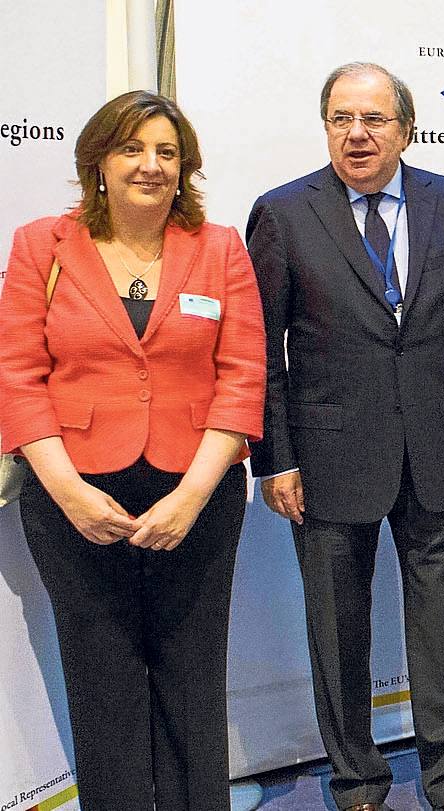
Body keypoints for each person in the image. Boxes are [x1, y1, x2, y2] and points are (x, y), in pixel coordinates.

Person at [246, 62, 444, 811]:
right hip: (325, 459)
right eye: (341, 119)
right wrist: (275, 459)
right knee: (338, 630)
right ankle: (358, 782)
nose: (356, 134)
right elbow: (261, 349)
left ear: (406, 129)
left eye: (373, 119)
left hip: (433, 450)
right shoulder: (283, 213)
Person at [0, 90, 265, 808]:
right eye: (132, 148)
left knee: (192, 672)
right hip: (74, 495)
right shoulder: (41, 246)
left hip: (196, 494)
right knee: (101, 676)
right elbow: (18, 377)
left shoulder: (219, 249)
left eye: (167, 152)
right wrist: (69, 493)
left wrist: (191, 497)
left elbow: (242, 377)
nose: (150, 165)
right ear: (99, 161)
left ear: (185, 168)